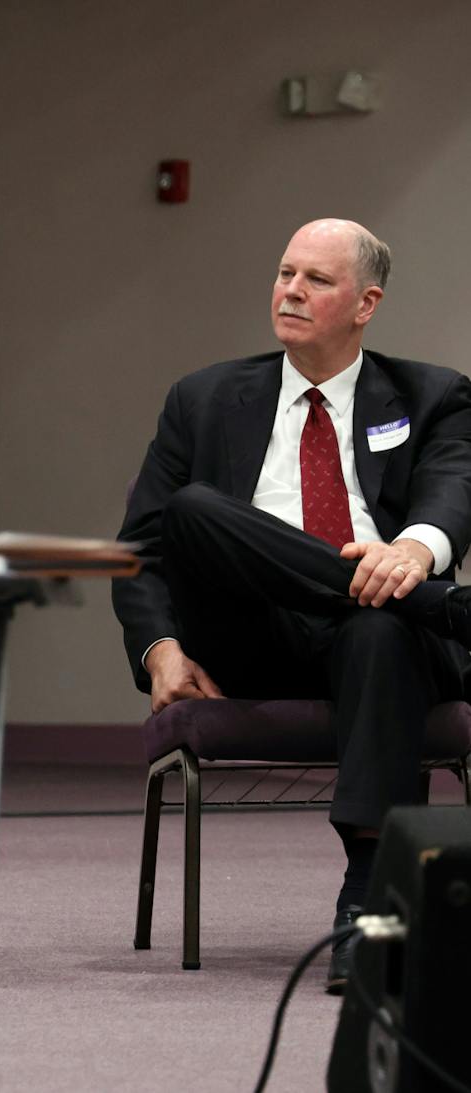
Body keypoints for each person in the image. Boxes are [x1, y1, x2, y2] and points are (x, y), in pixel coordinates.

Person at [111, 218, 471, 993]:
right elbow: (140, 552)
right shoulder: (203, 397)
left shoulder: (432, 394)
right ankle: (443, 607)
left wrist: (413, 554)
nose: (291, 291)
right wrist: (161, 652)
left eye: (317, 279)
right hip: (253, 637)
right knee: (194, 510)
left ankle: (367, 899)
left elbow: (453, 491)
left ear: (366, 303)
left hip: (381, 636)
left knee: (377, 628)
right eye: (285, 273)